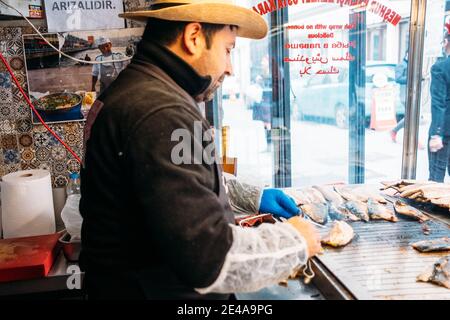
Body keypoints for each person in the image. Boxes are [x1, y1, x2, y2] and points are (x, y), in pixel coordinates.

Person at [80, 0, 321, 300]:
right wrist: (294, 241)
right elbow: (210, 258)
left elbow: (167, 188)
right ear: (193, 37)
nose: (230, 68)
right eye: (228, 49)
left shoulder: (136, 89)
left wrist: (251, 197)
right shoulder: (162, 111)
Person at [428, 23, 450, 182]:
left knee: (435, 181)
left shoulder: (440, 68)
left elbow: (438, 104)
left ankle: (435, 208)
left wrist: (436, 134)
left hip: (444, 132)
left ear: (447, 42)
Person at [390, 50, 408, 143]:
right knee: (410, 117)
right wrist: (412, 76)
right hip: (405, 95)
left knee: (412, 118)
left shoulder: (411, 64)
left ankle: (395, 131)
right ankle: (394, 130)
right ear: (407, 54)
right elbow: (398, 79)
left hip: (412, 94)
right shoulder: (401, 65)